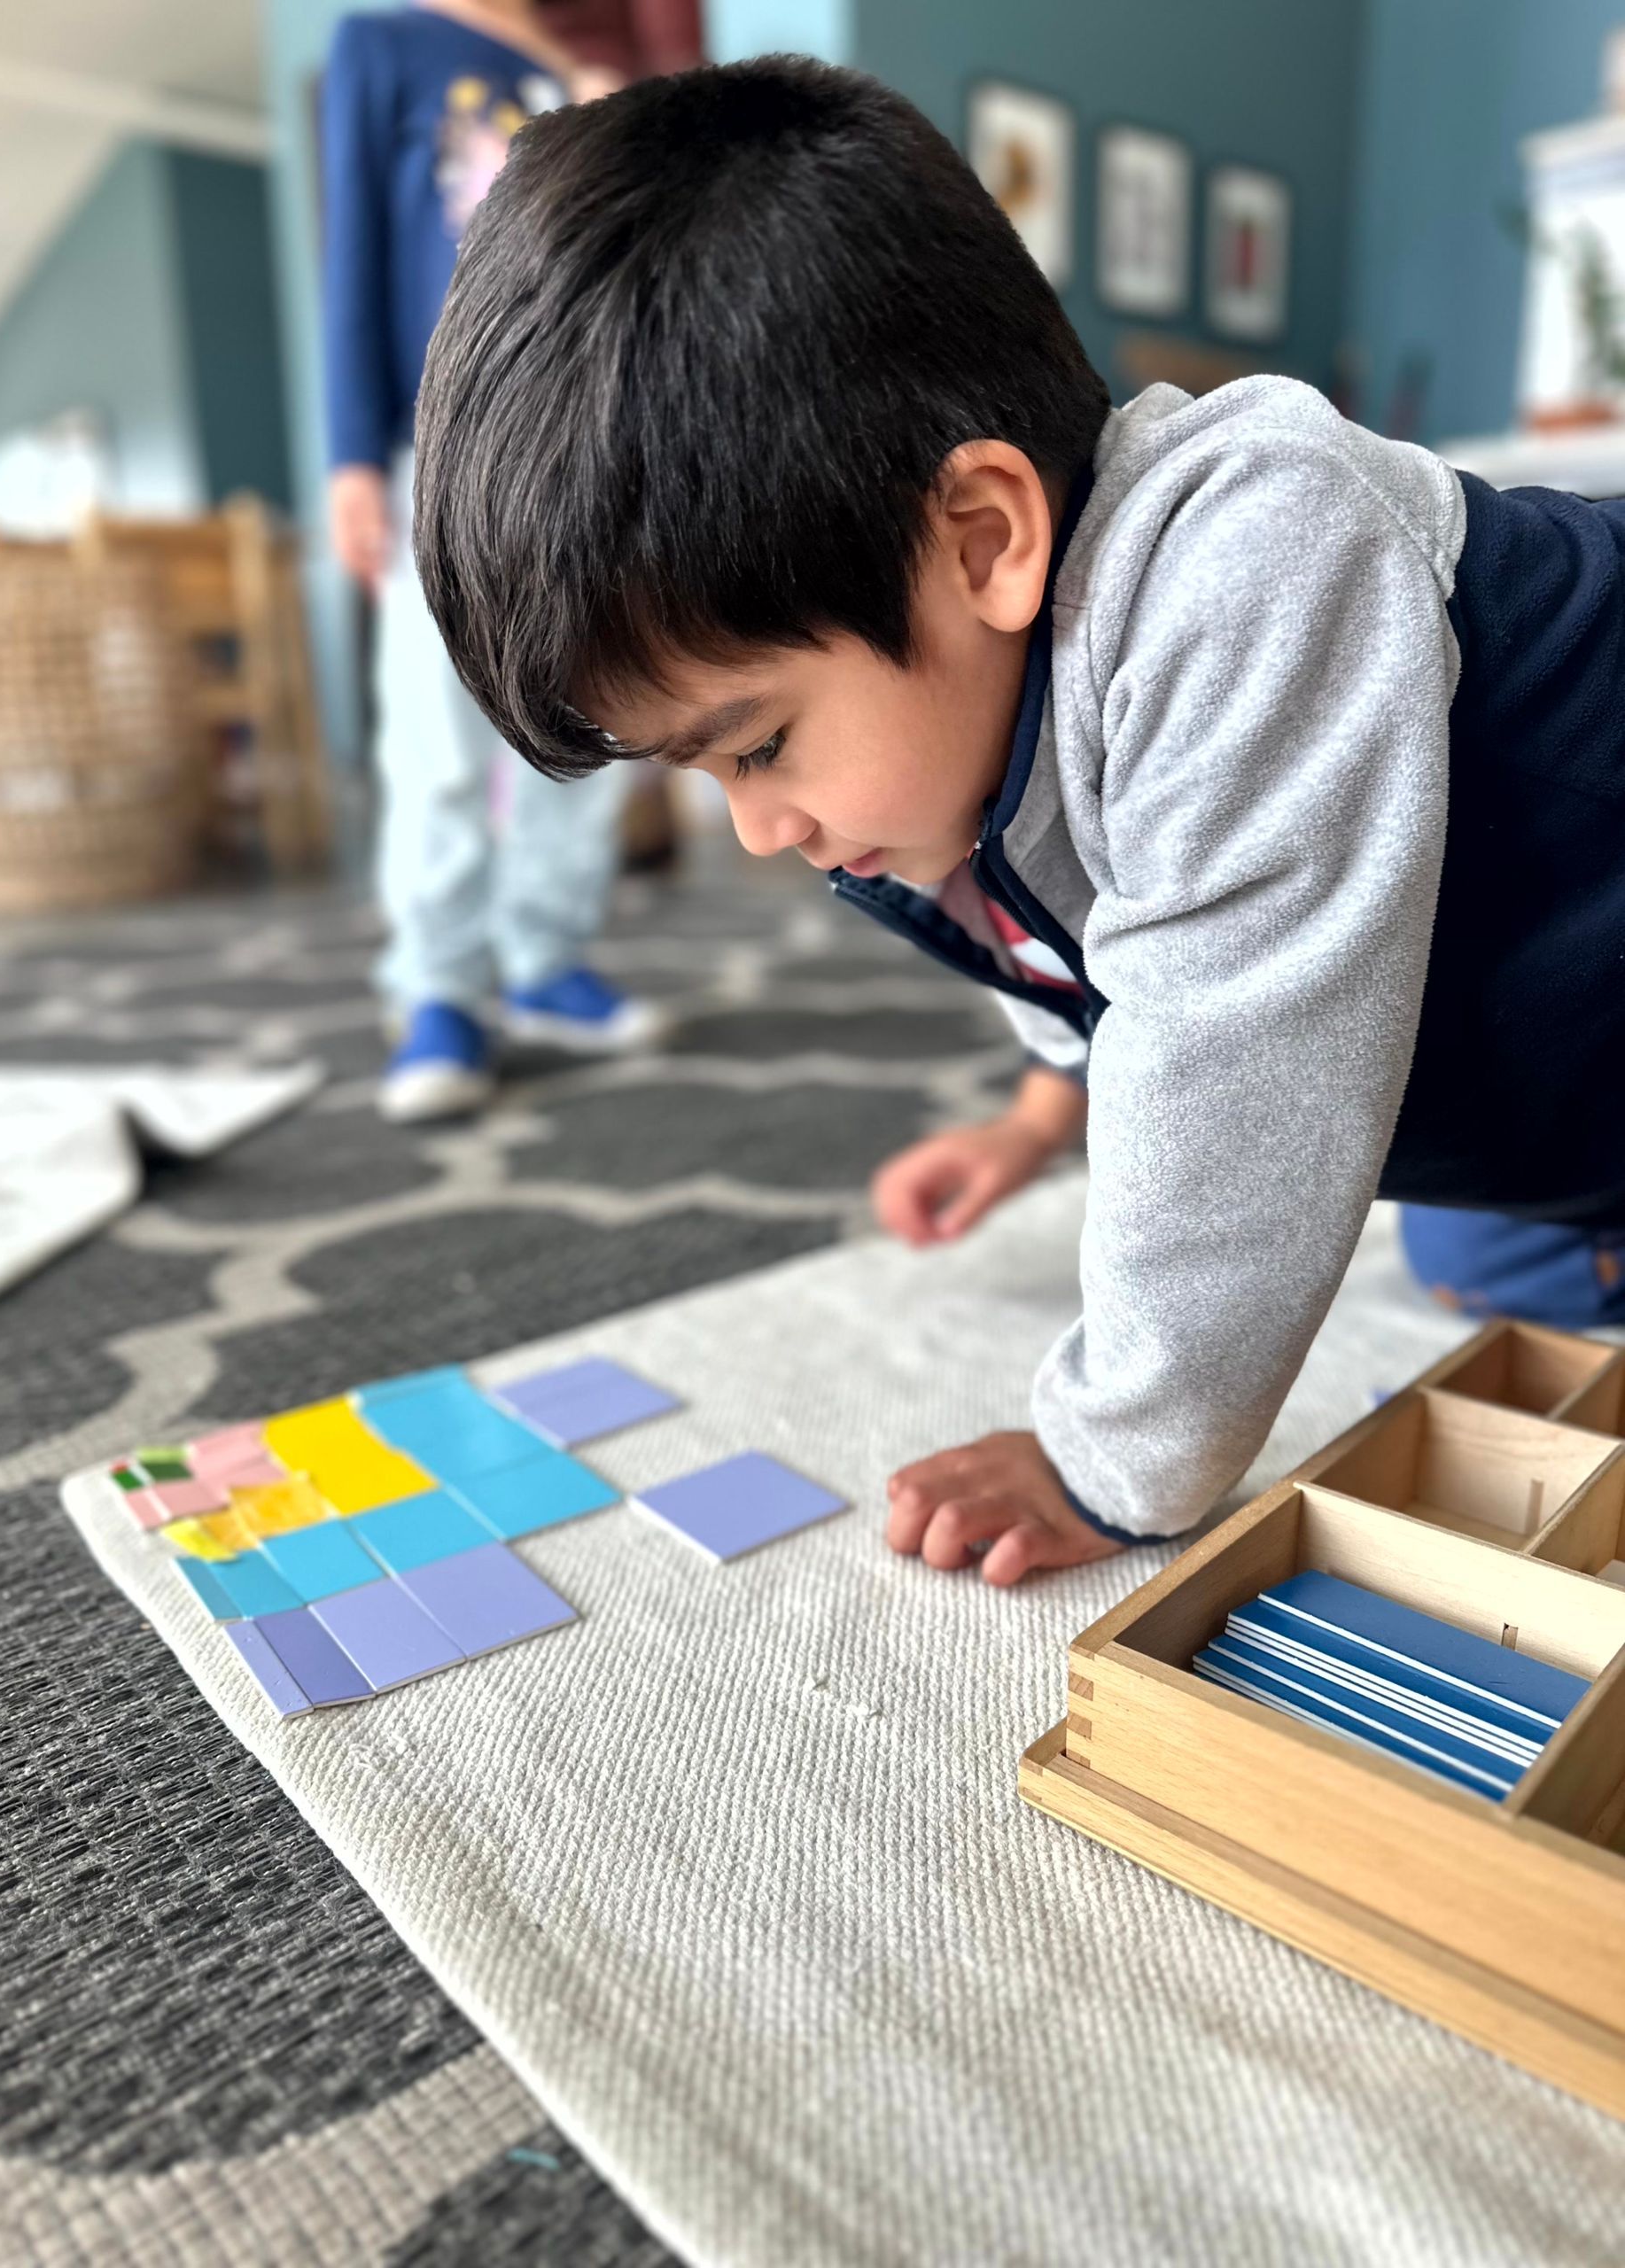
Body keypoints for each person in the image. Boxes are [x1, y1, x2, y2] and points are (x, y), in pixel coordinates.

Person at [407, 59, 1625, 1579]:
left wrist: (1111, 1456)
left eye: (761, 746)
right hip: (1540, 1049)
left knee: (1293, 1195)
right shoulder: (984, 731)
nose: (759, 833)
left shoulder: (1250, 558)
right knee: (1472, 1239)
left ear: (984, 539)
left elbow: (1235, 1056)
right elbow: (1113, 949)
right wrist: (1045, 1117)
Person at [321, 0, 667, 1123]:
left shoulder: (580, 73)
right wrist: (351, 455)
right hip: (440, 442)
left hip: (587, 443)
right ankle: (440, 987)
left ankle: (545, 958)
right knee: (436, 733)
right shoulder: (384, 44)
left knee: (594, 711)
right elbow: (353, 250)